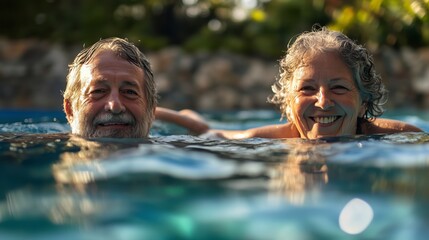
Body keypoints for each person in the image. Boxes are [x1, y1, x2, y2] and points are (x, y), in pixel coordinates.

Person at [187, 27, 422, 139]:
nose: (323, 101)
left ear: (363, 101)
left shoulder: (404, 138)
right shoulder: (268, 139)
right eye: (307, 88)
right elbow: (211, 134)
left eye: (338, 87)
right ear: (289, 103)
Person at [63, 37, 208, 138]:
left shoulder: (177, 148)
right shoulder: (46, 142)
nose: (115, 106)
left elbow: (224, 136)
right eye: (98, 91)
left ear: (152, 112)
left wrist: (199, 127)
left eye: (129, 92)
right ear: (70, 110)